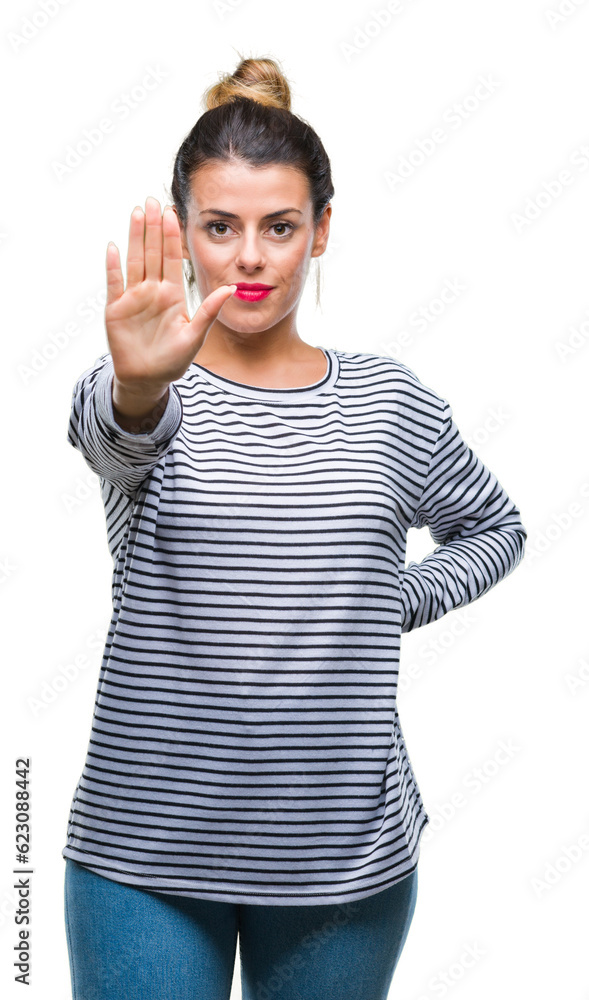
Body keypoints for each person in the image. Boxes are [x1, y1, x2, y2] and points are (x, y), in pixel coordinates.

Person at [62, 55, 527, 1000]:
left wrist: (381, 599)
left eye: (278, 227)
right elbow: (113, 441)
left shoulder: (390, 402)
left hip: (344, 859)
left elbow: (494, 527)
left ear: (320, 230)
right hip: (145, 853)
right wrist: (143, 383)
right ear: (184, 233)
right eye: (220, 227)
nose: (249, 257)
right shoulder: (145, 391)